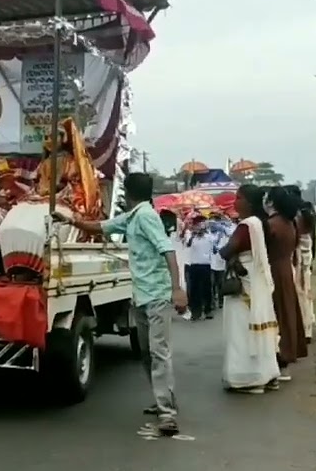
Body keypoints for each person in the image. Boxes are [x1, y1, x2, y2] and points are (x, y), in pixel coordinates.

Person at [56, 173, 188, 436]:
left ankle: (167, 415)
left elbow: (168, 251)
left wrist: (177, 289)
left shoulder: (146, 216)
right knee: (148, 353)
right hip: (141, 296)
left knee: (158, 353)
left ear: (127, 193)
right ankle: (165, 401)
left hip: (157, 295)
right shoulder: (132, 217)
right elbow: (101, 227)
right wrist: (70, 219)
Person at [217, 185, 281, 393]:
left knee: (241, 331)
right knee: (260, 329)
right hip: (257, 281)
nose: (235, 201)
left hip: (244, 286)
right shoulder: (262, 224)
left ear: (248, 202)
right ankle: (267, 374)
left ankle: (248, 378)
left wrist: (230, 252)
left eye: (238, 198)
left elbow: (226, 251)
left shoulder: (247, 225)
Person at [264, 186, 308, 380]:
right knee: (287, 312)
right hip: (286, 269)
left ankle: (279, 357)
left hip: (273, 270)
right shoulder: (290, 223)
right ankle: (287, 356)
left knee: (276, 315)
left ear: (271, 202)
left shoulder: (271, 224)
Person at [284, 186, 316, 342]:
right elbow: (313, 236)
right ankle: (308, 327)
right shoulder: (308, 210)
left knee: (298, 292)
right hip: (307, 252)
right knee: (306, 291)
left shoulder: (294, 213)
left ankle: (302, 328)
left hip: (297, 255)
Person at [183, 216, 217, 320]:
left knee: (207, 289)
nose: (200, 226)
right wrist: (193, 234)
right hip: (194, 265)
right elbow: (187, 244)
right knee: (194, 290)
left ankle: (208, 310)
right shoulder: (191, 237)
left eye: (201, 224)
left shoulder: (210, 237)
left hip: (206, 265)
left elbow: (215, 249)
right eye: (197, 224)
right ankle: (195, 312)